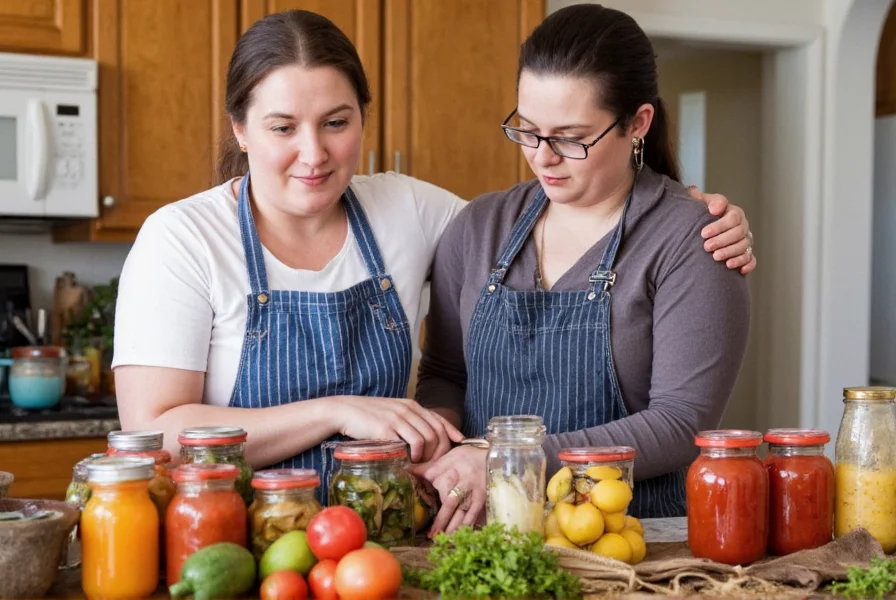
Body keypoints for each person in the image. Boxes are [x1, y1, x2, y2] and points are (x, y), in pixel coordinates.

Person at [112, 10, 754, 493]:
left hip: (458, 534)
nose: (313, 154)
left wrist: (686, 211)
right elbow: (150, 438)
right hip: (240, 530)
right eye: (283, 127)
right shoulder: (184, 238)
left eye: (337, 123)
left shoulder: (419, 213)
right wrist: (356, 416)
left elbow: (680, 420)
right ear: (240, 129)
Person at [414, 3, 752, 533]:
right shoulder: (479, 226)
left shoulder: (692, 240)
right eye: (528, 129)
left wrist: (507, 461)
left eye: (571, 138)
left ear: (637, 123)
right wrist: (443, 446)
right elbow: (445, 375)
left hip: (636, 542)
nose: (543, 156)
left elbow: (682, 424)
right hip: (494, 532)